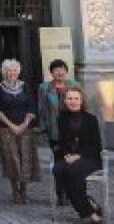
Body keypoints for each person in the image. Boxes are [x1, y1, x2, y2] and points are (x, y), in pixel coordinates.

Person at [54, 87, 104, 223]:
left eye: (76, 99)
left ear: (81, 101)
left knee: (72, 171)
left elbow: (96, 145)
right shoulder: (61, 118)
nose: (73, 101)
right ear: (65, 101)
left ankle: (87, 212)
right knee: (59, 169)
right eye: (70, 98)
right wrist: (66, 155)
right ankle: (88, 207)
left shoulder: (91, 119)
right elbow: (62, 141)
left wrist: (78, 156)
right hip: (68, 157)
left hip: (88, 157)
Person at [0, 58, 39, 204]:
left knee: (25, 159)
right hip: (6, 129)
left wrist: (24, 124)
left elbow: (32, 107)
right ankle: (15, 192)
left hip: (25, 129)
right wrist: (12, 125)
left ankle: (24, 192)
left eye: (14, 70)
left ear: (18, 72)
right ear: (4, 72)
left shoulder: (25, 86)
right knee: (11, 160)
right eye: (9, 70)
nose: (12, 73)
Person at [38, 58, 81, 206]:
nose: (60, 72)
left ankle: (72, 192)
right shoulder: (44, 88)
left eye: (62, 68)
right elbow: (42, 109)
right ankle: (60, 193)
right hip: (55, 133)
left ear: (66, 70)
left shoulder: (75, 85)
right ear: (51, 72)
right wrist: (44, 128)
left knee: (72, 162)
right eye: (56, 69)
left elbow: (82, 107)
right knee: (59, 162)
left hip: (73, 131)